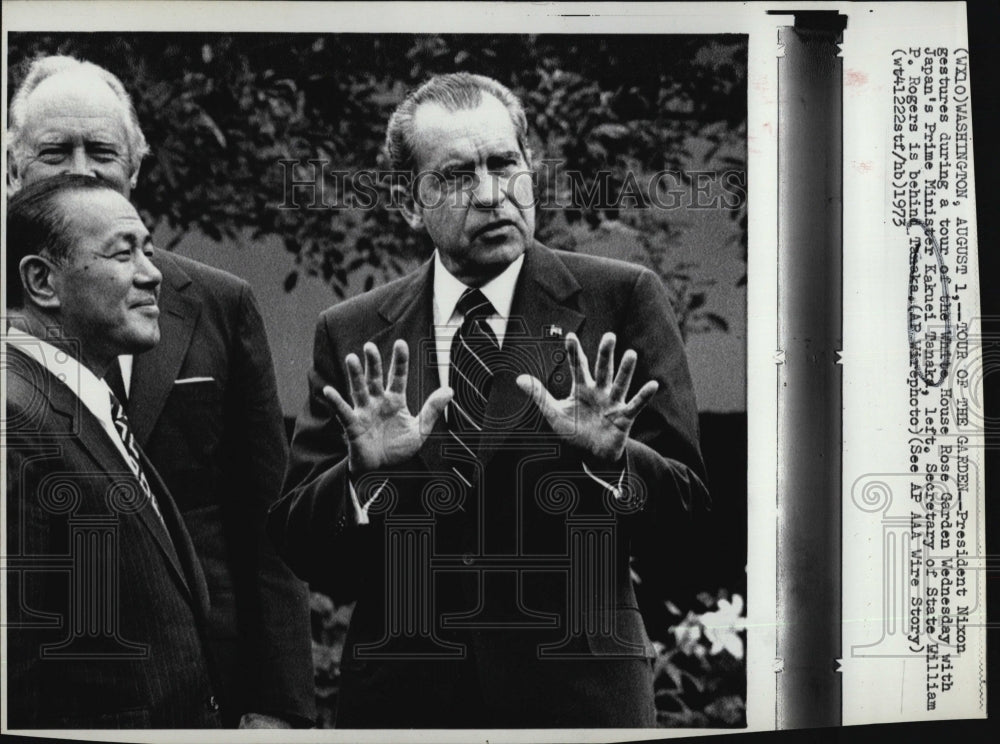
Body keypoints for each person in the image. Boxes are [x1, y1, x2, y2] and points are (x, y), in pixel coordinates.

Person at [270, 72, 711, 728]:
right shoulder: (355, 331)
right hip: (403, 703)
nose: (490, 194)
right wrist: (363, 476)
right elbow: (302, 547)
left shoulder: (617, 301)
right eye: (455, 176)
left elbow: (689, 522)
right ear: (408, 201)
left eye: (505, 164)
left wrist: (611, 464)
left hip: (579, 698)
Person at [6, 56, 315, 728]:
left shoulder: (215, 301)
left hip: (209, 686)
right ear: (11, 167)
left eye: (102, 150)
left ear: (137, 166)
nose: (81, 168)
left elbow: (265, 518)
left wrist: (281, 706)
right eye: (55, 151)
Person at [5, 174, 223, 728]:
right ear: (41, 281)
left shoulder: (80, 399)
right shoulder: (14, 415)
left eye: (148, 251)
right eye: (123, 254)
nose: (154, 275)